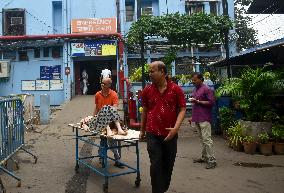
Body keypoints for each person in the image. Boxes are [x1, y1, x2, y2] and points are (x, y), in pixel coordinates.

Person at [140, 61, 186, 193]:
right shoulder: (147, 90)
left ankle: (162, 188)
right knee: (155, 165)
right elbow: (145, 110)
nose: (150, 74)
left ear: (162, 72)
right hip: (152, 133)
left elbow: (182, 109)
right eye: (149, 71)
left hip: (170, 134)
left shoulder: (176, 89)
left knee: (168, 164)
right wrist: (142, 130)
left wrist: (176, 128)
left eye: (152, 71)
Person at [94, 77, 124, 168]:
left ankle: (117, 160)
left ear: (109, 85)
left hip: (111, 120)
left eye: (104, 83)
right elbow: (96, 108)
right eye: (101, 83)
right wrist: (94, 117)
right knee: (103, 140)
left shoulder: (114, 94)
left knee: (114, 141)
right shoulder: (98, 95)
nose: (102, 85)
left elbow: (114, 109)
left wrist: (106, 112)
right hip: (101, 121)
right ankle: (102, 158)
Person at [189, 72, 217, 169]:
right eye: (192, 80)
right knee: (202, 139)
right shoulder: (195, 88)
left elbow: (211, 102)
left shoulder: (207, 89)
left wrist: (198, 101)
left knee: (207, 139)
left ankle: (212, 160)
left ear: (201, 79)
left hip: (204, 118)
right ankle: (204, 157)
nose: (193, 81)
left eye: (195, 80)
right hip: (197, 117)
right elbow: (195, 100)